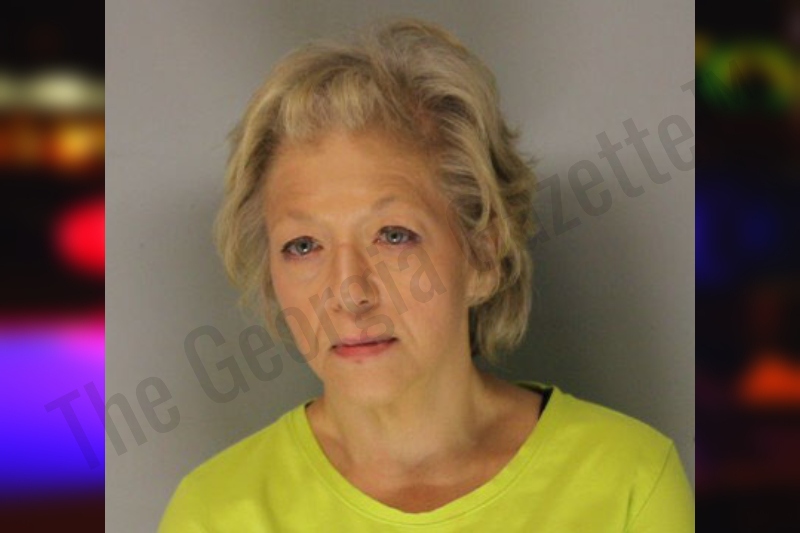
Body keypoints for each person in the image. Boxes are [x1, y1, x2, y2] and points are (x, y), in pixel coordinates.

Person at [158, 17, 694, 532]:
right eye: (303, 246)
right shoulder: (214, 513)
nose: (349, 293)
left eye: (393, 236)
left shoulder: (630, 481)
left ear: (483, 256)